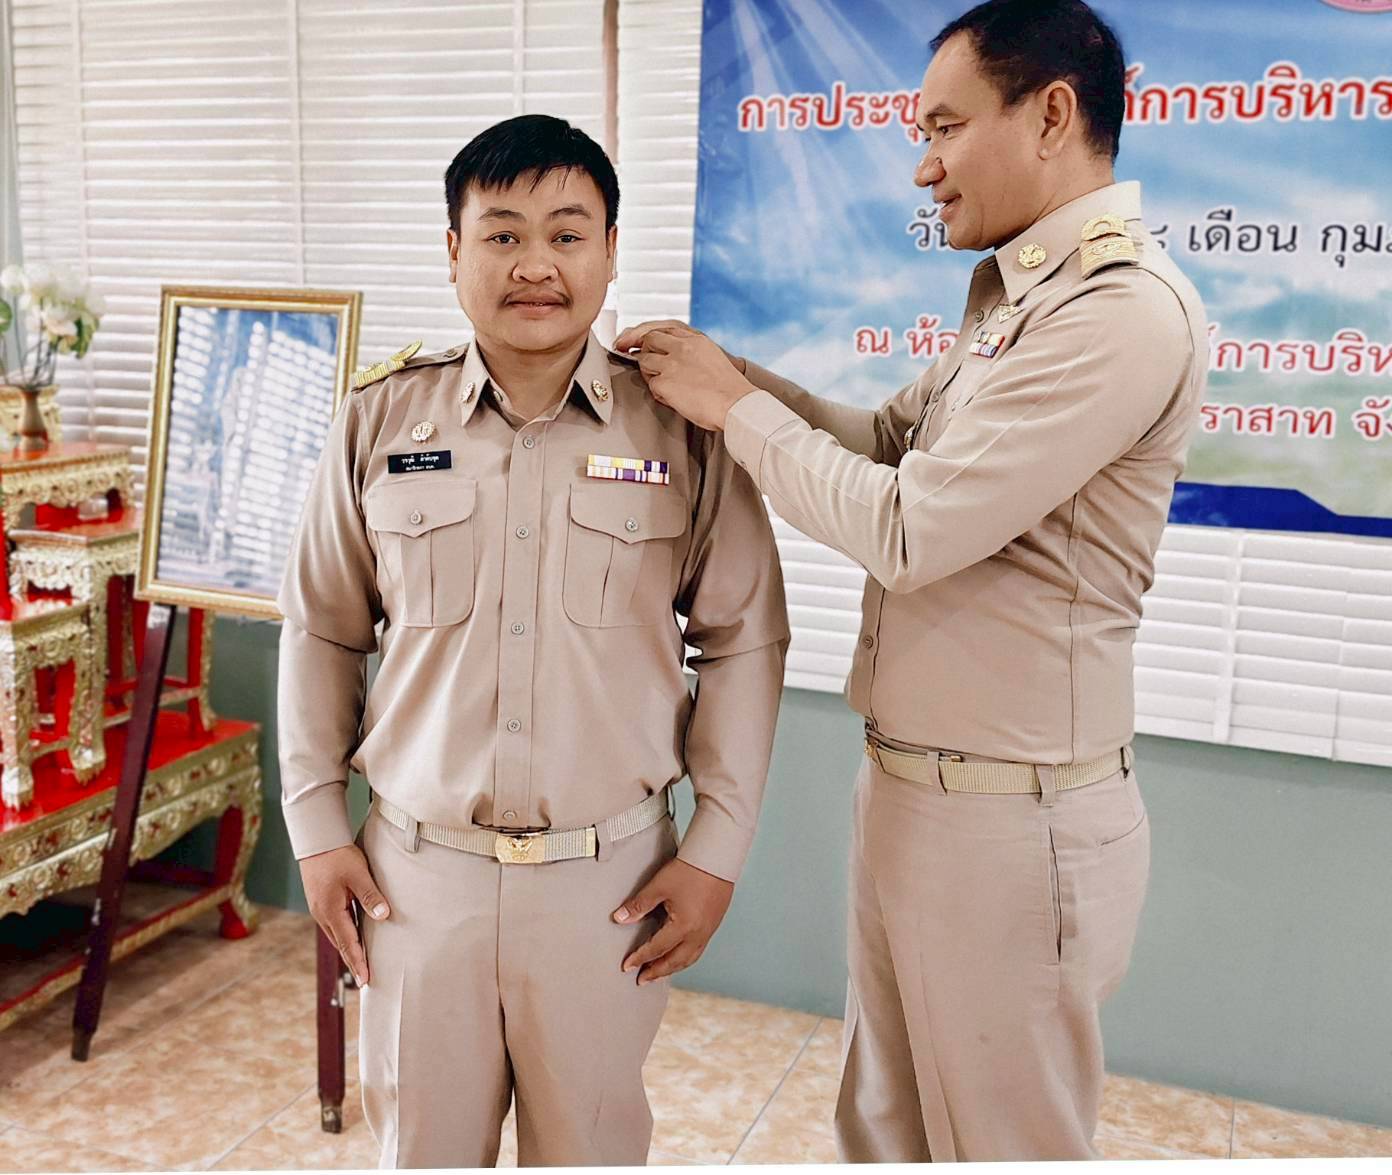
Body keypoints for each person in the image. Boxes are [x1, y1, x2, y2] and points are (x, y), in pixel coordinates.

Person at [616, 0, 1208, 1161]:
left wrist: (732, 410)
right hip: (914, 790)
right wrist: (736, 377)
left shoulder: (1117, 311)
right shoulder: (1018, 301)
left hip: (1011, 818)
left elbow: (910, 525)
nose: (923, 166)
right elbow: (889, 445)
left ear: (1051, 115)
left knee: (1000, 1142)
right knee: (884, 1127)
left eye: (944, 128)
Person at [276, 113, 788, 1168]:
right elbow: (323, 626)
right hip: (419, 882)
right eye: (502, 234)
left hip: (609, 886)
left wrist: (717, 849)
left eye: (566, 233)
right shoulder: (382, 419)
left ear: (611, 250)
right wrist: (317, 825)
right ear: (453, 250)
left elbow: (742, 640)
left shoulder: (682, 426)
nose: (535, 265)